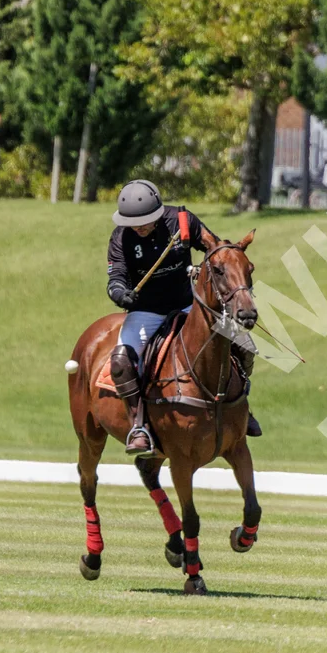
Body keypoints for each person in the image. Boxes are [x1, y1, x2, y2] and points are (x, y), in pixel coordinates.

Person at [105, 180, 226, 455]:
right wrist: (120, 294)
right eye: (133, 223)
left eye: (144, 222)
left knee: (237, 339)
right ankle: (138, 426)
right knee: (121, 360)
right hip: (146, 310)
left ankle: (242, 408)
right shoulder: (121, 238)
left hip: (188, 305)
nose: (139, 228)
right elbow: (116, 277)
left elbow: (215, 248)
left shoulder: (181, 221)